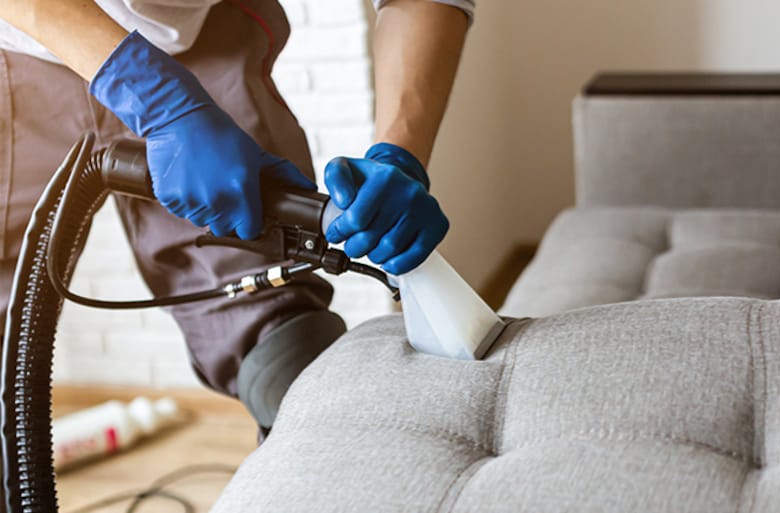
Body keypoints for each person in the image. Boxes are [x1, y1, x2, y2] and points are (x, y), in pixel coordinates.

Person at [0, 0, 471, 435]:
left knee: (281, 338)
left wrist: (399, 154)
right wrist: (157, 98)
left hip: (200, 33)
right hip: (16, 46)